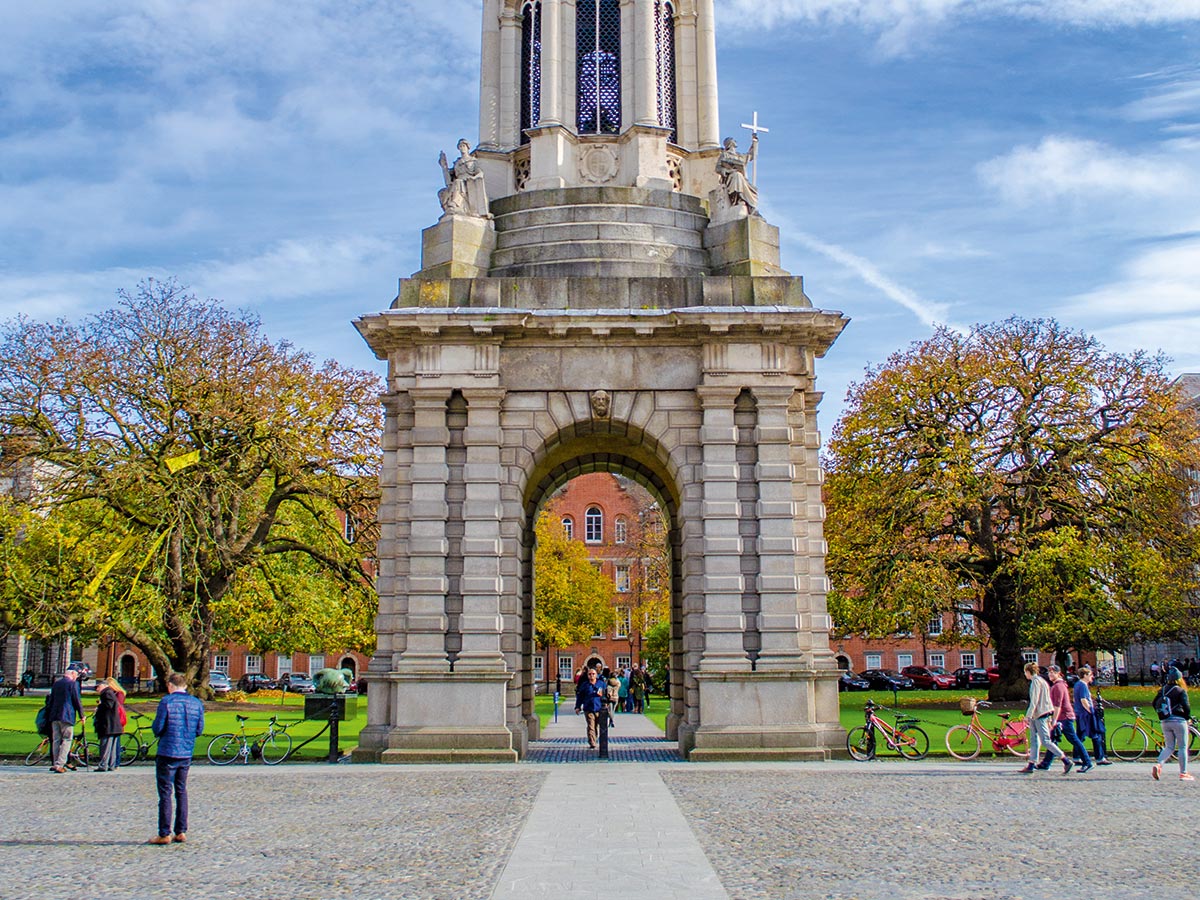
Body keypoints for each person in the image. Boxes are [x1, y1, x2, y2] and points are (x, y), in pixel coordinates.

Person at [149, 672, 206, 844]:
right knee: (181, 791)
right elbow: (199, 729)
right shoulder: (196, 703)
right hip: (186, 752)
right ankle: (181, 831)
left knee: (165, 793)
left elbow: (158, 728)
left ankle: (164, 833)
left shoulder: (166, 701)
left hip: (168, 751)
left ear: (170, 685)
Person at [1036, 665, 1091, 772]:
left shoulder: (1058, 686)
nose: (1050, 674)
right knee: (1053, 740)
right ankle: (1045, 763)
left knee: (1073, 740)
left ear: (1059, 674)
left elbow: (1058, 705)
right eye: (1049, 672)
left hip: (1064, 717)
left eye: (1053, 672)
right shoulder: (1057, 685)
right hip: (1063, 717)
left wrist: (1054, 720)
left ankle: (1087, 762)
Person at [1021, 661, 1070, 774]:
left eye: (1025, 672)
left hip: (1040, 714)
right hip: (1039, 714)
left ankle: (1066, 760)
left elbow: (1034, 701)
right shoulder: (1041, 681)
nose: (1025, 674)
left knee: (1046, 741)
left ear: (1029, 672)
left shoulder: (1036, 682)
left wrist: (1028, 716)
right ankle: (1031, 764)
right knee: (1034, 740)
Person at [1151, 666, 1193, 782]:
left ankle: (1159, 765)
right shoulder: (1180, 690)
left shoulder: (1163, 689)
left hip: (1165, 721)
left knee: (1169, 746)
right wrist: (1187, 717)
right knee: (1183, 747)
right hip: (1179, 721)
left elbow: (1154, 703)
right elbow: (1186, 706)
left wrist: (1162, 713)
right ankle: (1183, 773)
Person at [437, 139, 491, 219]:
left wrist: (473, 178)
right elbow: (450, 177)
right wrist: (444, 165)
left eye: (463, 146)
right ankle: (449, 208)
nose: (462, 148)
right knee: (442, 192)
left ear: (467, 147)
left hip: (468, 181)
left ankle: (455, 203)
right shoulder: (457, 163)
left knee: (458, 182)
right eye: (460, 146)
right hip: (457, 182)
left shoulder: (473, 161)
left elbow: (480, 173)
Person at [46, 669, 85, 773]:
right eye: (76, 675)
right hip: (67, 715)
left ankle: (55, 762)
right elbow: (77, 700)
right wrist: (82, 715)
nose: (76, 677)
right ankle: (60, 764)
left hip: (55, 715)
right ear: (72, 674)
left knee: (56, 740)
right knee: (67, 740)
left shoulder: (56, 684)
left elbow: (51, 701)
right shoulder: (73, 684)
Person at [1073, 665, 1110, 766]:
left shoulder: (1078, 685)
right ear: (1084, 675)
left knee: (1080, 736)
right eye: (1090, 675)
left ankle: (1076, 757)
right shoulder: (1082, 685)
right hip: (1086, 714)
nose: (1092, 677)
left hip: (1080, 714)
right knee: (1095, 736)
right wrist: (1091, 711)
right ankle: (1099, 758)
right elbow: (1083, 700)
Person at [716, 135, 759, 215]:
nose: (735, 141)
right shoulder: (724, 155)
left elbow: (751, 155)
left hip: (743, 179)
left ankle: (749, 203)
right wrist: (725, 170)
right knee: (737, 175)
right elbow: (718, 168)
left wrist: (755, 143)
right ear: (730, 143)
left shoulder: (739, 156)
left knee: (747, 184)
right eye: (733, 140)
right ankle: (739, 200)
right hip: (730, 177)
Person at [93, 677, 126, 772]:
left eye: (97, 687)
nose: (97, 690)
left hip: (109, 725)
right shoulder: (110, 693)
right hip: (114, 725)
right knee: (112, 747)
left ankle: (103, 765)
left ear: (102, 686)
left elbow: (108, 705)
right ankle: (111, 765)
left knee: (106, 746)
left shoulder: (106, 693)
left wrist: (99, 707)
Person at [574, 667, 605, 751]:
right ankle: (592, 742)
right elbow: (580, 697)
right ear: (587, 675)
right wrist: (577, 707)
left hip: (599, 708)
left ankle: (594, 738)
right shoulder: (585, 685)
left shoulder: (601, 684)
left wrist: (602, 695)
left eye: (593, 674)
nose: (591, 675)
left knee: (596, 726)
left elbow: (606, 695)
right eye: (590, 674)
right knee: (591, 725)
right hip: (588, 708)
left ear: (596, 675)